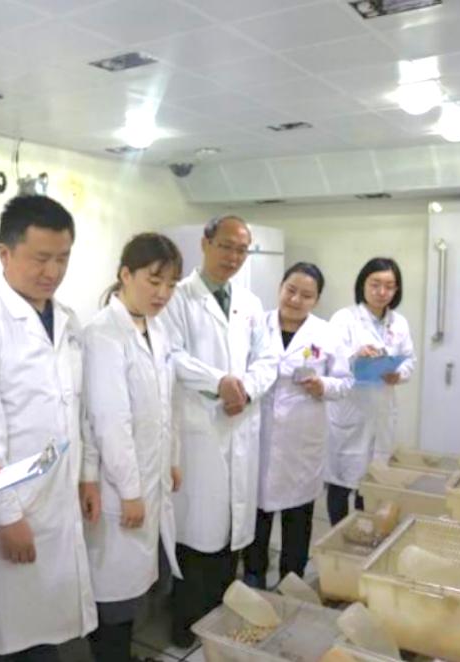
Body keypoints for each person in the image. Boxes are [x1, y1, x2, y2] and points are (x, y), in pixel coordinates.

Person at [0, 195, 95, 661]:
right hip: (12, 508)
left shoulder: (66, 320)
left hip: (57, 496)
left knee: (47, 628)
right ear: (5, 254)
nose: (53, 271)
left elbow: (74, 410)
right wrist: (8, 517)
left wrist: (86, 475)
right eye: (41, 258)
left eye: (63, 258)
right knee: (11, 635)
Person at [159, 215, 280, 647]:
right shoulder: (177, 298)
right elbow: (171, 357)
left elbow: (269, 360)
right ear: (205, 243)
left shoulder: (249, 302)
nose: (233, 257)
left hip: (238, 422)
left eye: (241, 250)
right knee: (197, 537)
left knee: (231, 535)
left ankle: (220, 625)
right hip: (200, 431)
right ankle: (186, 627)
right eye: (226, 246)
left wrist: (244, 389)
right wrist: (220, 383)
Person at [80, 233, 185, 662]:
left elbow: (166, 405)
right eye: (153, 281)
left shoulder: (157, 329)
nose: (163, 293)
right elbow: (110, 421)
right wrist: (129, 491)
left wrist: (172, 459)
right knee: (114, 594)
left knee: (138, 583)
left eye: (171, 284)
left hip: (150, 476)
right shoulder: (102, 333)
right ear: (125, 274)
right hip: (119, 485)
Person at [242, 263, 352, 586]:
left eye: (306, 295)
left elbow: (345, 382)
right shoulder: (257, 324)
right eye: (290, 290)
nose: (295, 300)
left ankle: (292, 580)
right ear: (280, 288)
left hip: (302, 437)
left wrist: (323, 386)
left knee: (298, 516)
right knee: (257, 513)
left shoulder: (326, 334)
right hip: (259, 431)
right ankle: (254, 575)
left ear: (316, 300)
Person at [326, 257, 416, 525]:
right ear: (362, 285)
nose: (382, 292)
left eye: (389, 286)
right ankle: (338, 533)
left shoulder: (399, 323)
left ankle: (366, 531)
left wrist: (399, 374)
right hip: (350, 410)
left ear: (396, 290)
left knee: (372, 481)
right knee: (341, 481)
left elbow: (409, 359)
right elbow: (330, 359)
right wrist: (356, 355)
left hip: (381, 408)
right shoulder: (344, 319)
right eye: (375, 284)